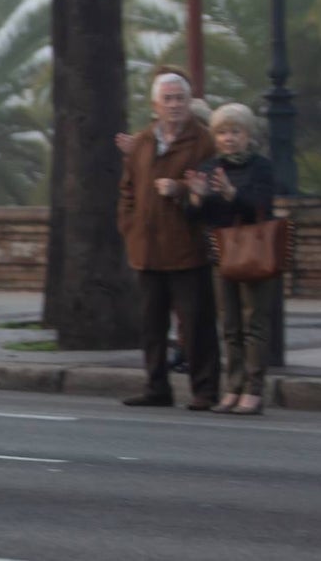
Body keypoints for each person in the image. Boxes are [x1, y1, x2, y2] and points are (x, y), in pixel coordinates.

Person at [118, 72, 220, 410]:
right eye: (168, 99)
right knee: (151, 326)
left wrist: (179, 188)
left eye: (181, 99)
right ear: (155, 105)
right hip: (146, 250)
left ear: (189, 103)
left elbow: (213, 191)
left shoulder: (204, 142)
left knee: (196, 324)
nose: (175, 105)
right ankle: (156, 387)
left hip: (186, 249)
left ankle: (205, 390)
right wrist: (129, 226)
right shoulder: (144, 141)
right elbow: (127, 189)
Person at [185, 103, 276, 415]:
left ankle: (254, 389)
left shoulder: (261, 167)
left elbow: (261, 207)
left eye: (235, 132)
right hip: (222, 253)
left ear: (247, 135)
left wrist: (231, 193)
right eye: (222, 133)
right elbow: (199, 217)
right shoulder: (211, 167)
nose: (228, 138)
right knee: (230, 325)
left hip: (255, 253)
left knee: (255, 322)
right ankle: (233, 387)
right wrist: (196, 197)